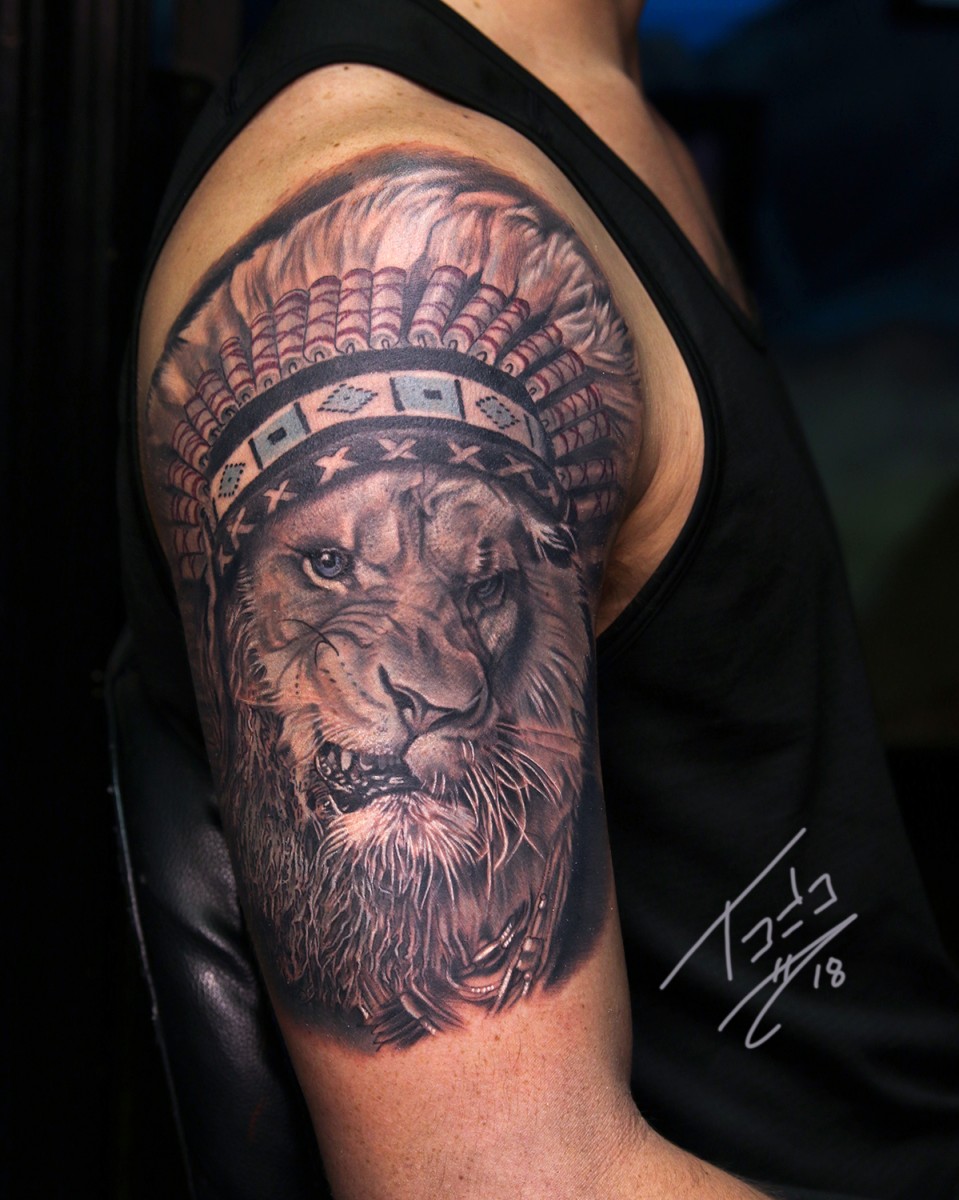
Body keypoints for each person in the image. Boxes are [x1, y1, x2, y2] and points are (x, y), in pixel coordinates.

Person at [120, 0, 959, 1196]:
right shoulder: (410, 219)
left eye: (477, 585)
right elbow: (509, 1182)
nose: (441, 672)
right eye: (332, 566)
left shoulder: (601, 119)